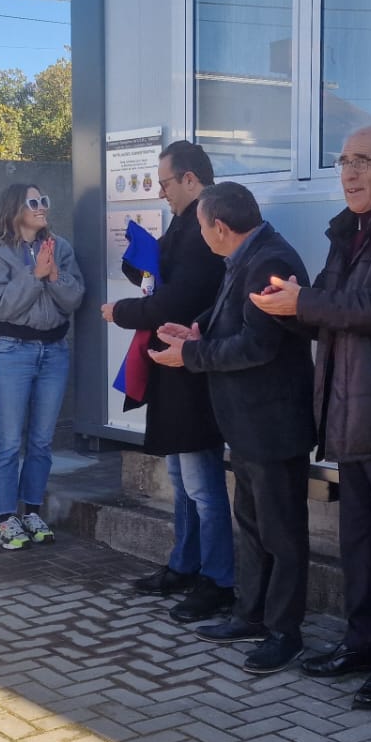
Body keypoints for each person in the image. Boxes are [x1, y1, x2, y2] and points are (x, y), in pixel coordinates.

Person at [250, 122, 371, 710]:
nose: (349, 172)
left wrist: (307, 301)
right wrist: (286, 305)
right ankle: (362, 643)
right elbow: (328, 311)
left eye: (364, 160)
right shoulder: (347, 231)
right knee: (359, 543)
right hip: (348, 415)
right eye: (344, 161)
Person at [151, 182, 314, 674]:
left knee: (282, 535)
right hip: (247, 424)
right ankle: (251, 614)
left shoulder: (269, 260)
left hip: (272, 425)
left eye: (202, 227)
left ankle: (285, 632)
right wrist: (197, 329)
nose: (201, 235)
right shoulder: (249, 253)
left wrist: (191, 355)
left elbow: (256, 346)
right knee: (252, 526)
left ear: (220, 227)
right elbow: (231, 316)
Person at [103, 140, 236, 623]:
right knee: (181, 479)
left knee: (202, 482)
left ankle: (219, 580)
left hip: (195, 366)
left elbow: (178, 299)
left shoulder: (207, 225)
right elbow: (156, 272)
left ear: (191, 180)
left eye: (164, 183)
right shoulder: (186, 223)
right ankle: (185, 565)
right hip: (173, 362)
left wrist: (121, 311)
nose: (160, 192)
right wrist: (139, 260)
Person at [0, 184, 84, 549]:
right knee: (9, 440)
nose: (42, 208)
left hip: (54, 350)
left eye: (45, 200)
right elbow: (4, 306)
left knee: (41, 440)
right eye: (34, 202)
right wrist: (34, 274)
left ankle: (32, 511)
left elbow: (73, 298)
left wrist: (54, 274)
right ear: (15, 209)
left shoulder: (61, 247)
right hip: (13, 351)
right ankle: (5, 517)